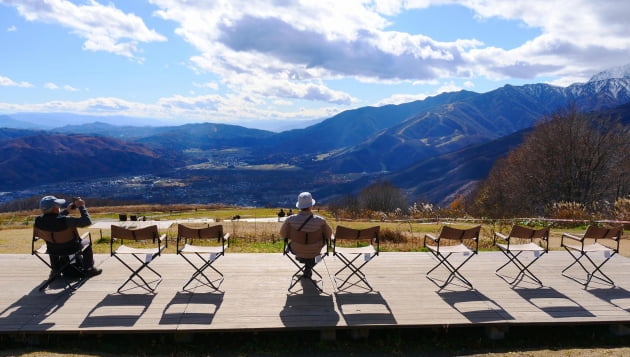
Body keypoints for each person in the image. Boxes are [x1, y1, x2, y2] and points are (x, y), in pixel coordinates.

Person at [34, 195, 102, 277]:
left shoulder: (38, 220)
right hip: (71, 248)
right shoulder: (66, 220)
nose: (59, 207)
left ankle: (55, 271)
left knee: (52, 243)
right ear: (54, 208)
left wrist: (67, 211)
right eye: (58, 205)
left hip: (52, 249)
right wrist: (81, 206)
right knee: (87, 242)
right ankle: (89, 269)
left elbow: (54, 219)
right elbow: (87, 221)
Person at [279, 192, 332, 279]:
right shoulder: (320, 221)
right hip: (315, 250)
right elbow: (328, 235)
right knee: (313, 253)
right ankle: (309, 267)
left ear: (299, 206)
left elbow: (283, 234)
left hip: (297, 249)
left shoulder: (290, 220)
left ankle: (306, 265)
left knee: (299, 248)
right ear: (311, 206)